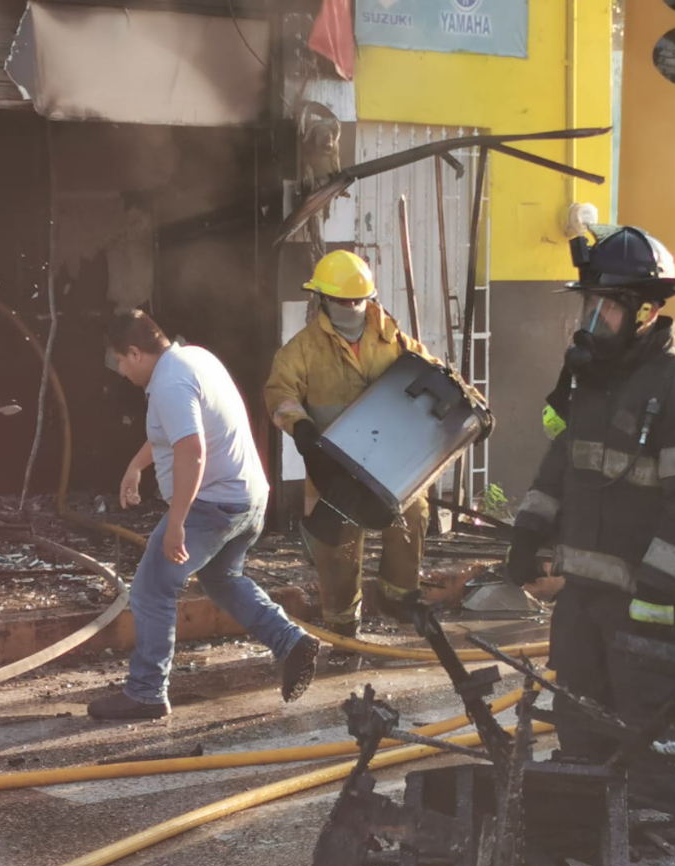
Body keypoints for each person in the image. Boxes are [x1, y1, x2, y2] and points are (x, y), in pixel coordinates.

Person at [505, 225, 675, 806]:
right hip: (585, 607)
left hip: (654, 612)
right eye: (590, 305)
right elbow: (562, 466)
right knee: (582, 740)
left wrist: (656, 589)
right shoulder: (595, 383)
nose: (590, 320)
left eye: (604, 307)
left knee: (654, 754)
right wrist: (528, 532)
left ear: (647, 311)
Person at [88, 311, 320, 720]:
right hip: (248, 499)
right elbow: (175, 433)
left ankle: (146, 693)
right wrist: (137, 465)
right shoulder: (193, 358)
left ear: (136, 353)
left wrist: (176, 523)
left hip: (212, 504)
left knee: (151, 588)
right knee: (222, 578)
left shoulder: (170, 382)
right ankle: (290, 640)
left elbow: (191, 449)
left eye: (120, 362)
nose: (121, 372)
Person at [264, 250, 434, 637]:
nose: (352, 307)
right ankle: (344, 631)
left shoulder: (392, 338)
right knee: (336, 548)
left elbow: (433, 374)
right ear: (322, 299)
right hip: (332, 467)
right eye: (343, 301)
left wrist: (468, 403)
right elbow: (279, 392)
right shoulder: (303, 349)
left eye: (359, 300)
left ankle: (398, 598)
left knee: (412, 516)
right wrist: (301, 429)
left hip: (389, 462)